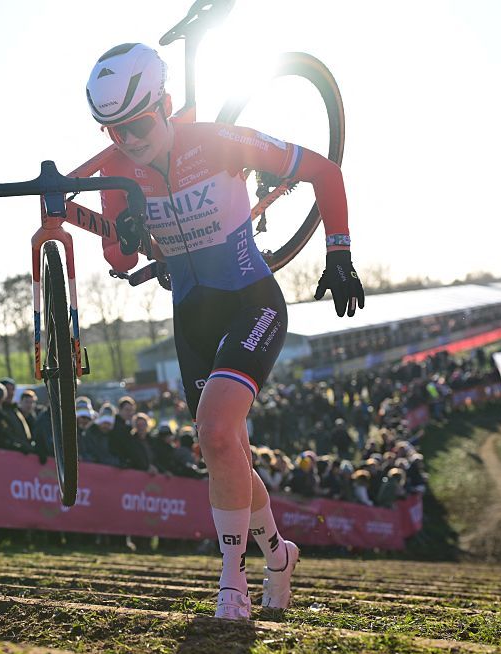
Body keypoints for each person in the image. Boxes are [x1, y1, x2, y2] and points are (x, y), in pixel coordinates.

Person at [85, 43, 364, 620]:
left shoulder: (219, 140)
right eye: (113, 132)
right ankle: (279, 556)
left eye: (136, 125)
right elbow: (119, 257)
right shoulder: (118, 170)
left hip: (251, 303)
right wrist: (126, 234)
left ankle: (231, 578)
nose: (129, 141)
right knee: (224, 449)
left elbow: (324, 171)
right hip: (192, 318)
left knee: (214, 432)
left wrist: (339, 254)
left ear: (164, 104)